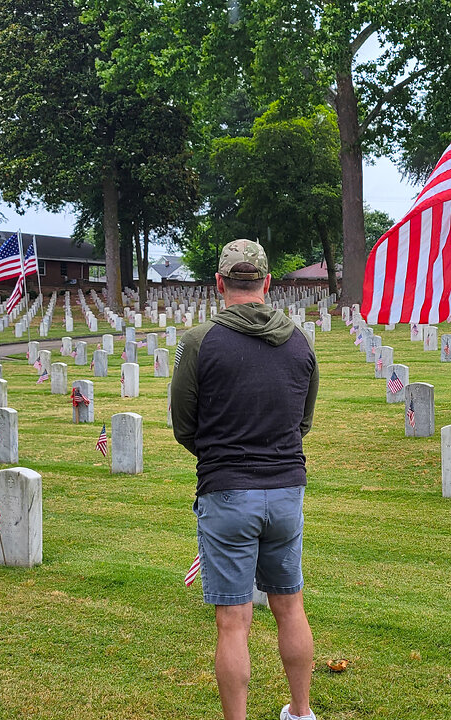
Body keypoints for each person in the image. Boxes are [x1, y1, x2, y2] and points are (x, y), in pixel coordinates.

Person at [171, 239, 321, 720]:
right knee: (289, 606)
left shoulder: (198, 342)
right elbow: (303, 423)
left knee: (234, 621)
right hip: (285, 490)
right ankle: (301, 711)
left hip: (227, 490)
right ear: (267, 283)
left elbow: (184, 425)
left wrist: (223, 454)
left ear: (219, 284)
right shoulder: (301, 341)